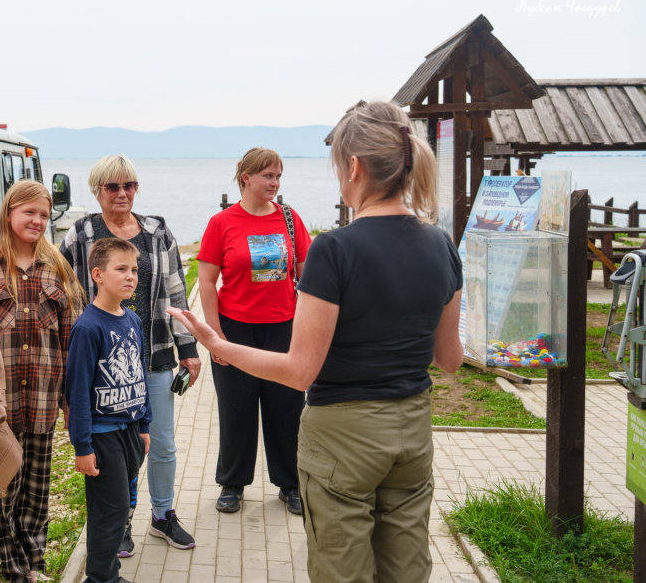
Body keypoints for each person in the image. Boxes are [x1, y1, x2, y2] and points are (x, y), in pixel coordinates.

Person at [168, 101, 464, 582]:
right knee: (407, 567)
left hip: (345, 431)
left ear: (354, 166)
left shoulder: (336, 247)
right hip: (413, 428)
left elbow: (300, 371)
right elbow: (449, 359)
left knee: (342, 567)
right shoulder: (442, 244)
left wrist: (215, 344)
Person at [59, 154, 198, 554]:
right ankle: (119, 520)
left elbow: (175, 291)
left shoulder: (157, 231)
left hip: (153, 353)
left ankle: (162, 515)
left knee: (160, 443)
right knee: (116, 449)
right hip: (104, 364)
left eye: (129, 186)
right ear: (97, 191)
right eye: (112, 187)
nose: (122, 193)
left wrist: (187, 347)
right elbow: (65, 288)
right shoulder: (81, 233)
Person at [0, 181, 84, 583]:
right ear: (9, 213)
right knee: (1, 490)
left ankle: (32, 564)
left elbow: (71, 339)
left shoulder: (58, 268)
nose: (37, 220)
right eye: (28, 212)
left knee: (35, 489)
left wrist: (71, 403)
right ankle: (8, 569)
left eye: (43, 214)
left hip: (43, 400)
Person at [196, 147, 312, 515]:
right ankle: (233, 483)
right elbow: (205, 282)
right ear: (245, 177)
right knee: (237, 410)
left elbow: (308, 274)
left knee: (287, 410)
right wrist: (214, 336)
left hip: (283, 330)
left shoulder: (290, 219)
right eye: (268, 176)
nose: (275, 183)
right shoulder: (222, 223)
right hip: (235, 330)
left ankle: (291, 484)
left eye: (278, 176)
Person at [65, 238, 152, 583]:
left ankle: (106, 575)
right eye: (121, 269)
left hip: (131, 431)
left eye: (134, 270)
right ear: (98, 274)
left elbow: (140, 374)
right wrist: (82, 447)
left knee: (122, 506)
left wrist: (145, 423)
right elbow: (78, 391)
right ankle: (100, 578)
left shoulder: (132, 319)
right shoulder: (88, 327)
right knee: (109, 510)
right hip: (102, 436)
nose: (131, 277)